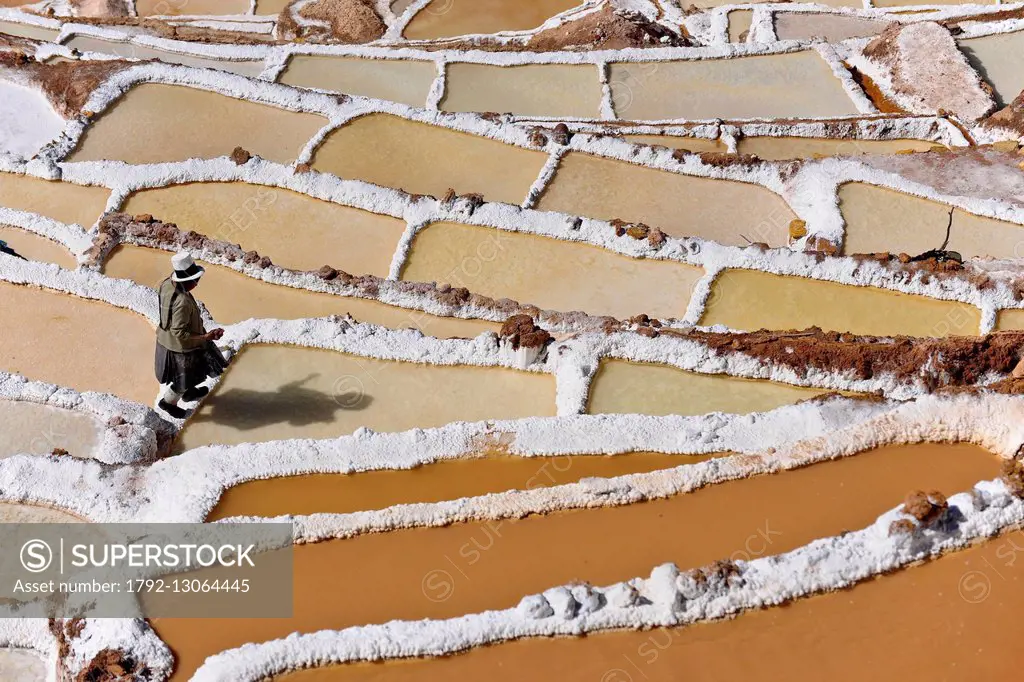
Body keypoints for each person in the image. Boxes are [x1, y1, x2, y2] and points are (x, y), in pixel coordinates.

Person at [155, 252, 228, 419]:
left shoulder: (167, 283)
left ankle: (189, 393)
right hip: (179, 346)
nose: (197, 283)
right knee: (183, 379)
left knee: (194, 371)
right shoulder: (182, 302)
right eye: (195, 280)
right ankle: (168, 403)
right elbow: (179, 332)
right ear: (186, 281)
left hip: (166, 337)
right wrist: (205, 337)